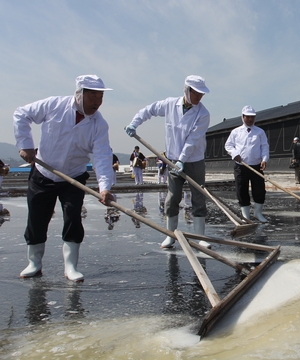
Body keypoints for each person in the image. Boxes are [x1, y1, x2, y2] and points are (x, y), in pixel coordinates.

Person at [13, 74, 115, 281]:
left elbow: (103, 156)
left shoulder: (99, 124)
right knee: (37, 218)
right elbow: (21, 114)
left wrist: (104, 187)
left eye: (101, 97)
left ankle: (71, 266)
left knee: (73, 218)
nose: (97, 102)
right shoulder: (54, 105)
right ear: (79, 94)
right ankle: (34, 263)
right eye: (93, 96)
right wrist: (25, 145)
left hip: (73, 177)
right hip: (44, 173)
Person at [125, 75, 212, 248]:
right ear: (187, 91)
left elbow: (192, 140)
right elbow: (148, 110)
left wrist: (182, 160)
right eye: (196, 93)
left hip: (194, 160)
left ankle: (200, 237)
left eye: (202, 94)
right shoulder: (170, 104)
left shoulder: (203, 114)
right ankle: (170, 235)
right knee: (172, 198)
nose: (199, 97)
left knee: (198, 197)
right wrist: (134, 123)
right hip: (172, 159)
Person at [224, 105, 270, 222]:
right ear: (243, 117)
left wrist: (264, 159)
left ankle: (258, 213)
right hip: (241, 166)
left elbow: (264, 146)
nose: (250, 119)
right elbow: (228, 145)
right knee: (241, 190)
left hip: (256, 166)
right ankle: (246, 216)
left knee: (259, 190)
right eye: (248, 117)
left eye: (252, 117)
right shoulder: (235, 132)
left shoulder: (260, 132)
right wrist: (235, 154)